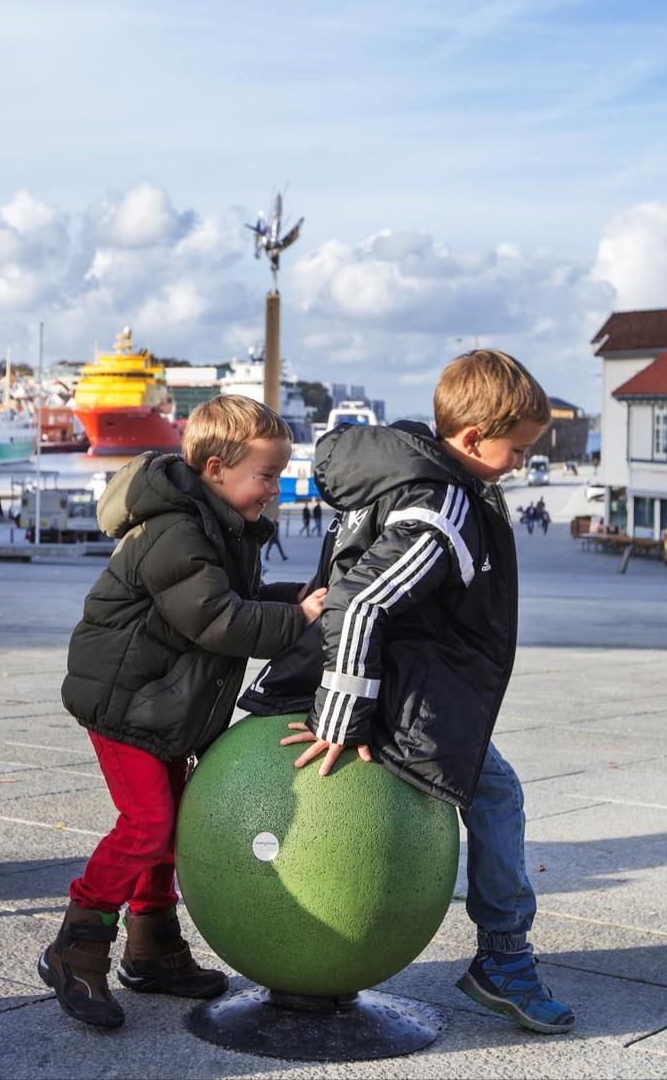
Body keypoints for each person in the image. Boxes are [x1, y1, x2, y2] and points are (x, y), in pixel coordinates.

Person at [242, 349, 574, 1035]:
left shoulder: (408, 472)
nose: (522, 464)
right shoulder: (443, 501)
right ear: (475, 438)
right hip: (392, 690)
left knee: (495, 788)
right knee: (498, 792)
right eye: (518, 450)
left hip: (378, 674)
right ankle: (504, 957)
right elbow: (360, 604)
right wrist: (341, 719)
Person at [39, 395, 327, 1030]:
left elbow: (241, 599)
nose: (274, 491)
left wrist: (302, 599)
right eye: (266, 475)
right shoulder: (177, 529)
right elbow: (217, 619)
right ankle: (77, 947)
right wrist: (299, 618)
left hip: (164, 706)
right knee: (146, 825)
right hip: (126, 702)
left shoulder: (219, 526)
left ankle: (154, 951)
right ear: (218, 467)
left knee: (168, 829)